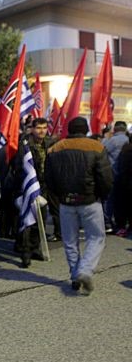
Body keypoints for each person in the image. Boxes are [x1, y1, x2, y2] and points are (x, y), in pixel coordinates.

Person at [45, 117, 113, 294]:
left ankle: (75, 274)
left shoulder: (55, 148)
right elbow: (105, 178)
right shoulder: (96, 147)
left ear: (69, 129)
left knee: (70, 241)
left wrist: (59, 195)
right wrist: (102, 196)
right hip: (90, 200)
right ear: (86, 129)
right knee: (96, 238)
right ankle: (84, 270)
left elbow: (49, 179)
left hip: (66, 202)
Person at [14, 118, 54, 268]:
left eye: (44, 127)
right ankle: (25, 252)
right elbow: (18, 168)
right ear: (32, 129)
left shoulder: (49, 144)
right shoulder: (24, 145)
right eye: (38, 128)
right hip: (27, 186)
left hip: (43, 186)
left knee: (40, 219)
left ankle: (35, 247)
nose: (42, 131)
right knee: (27, 220)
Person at [101, 121, 129, 233]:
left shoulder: (112, 140)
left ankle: (108, 222)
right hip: (126, 176)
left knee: (109, 200)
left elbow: (102, 150)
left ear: (115, 129)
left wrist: (105, 137)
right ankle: (121, 223)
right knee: (122, 200)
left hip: (112, 174)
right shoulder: (128, 139)